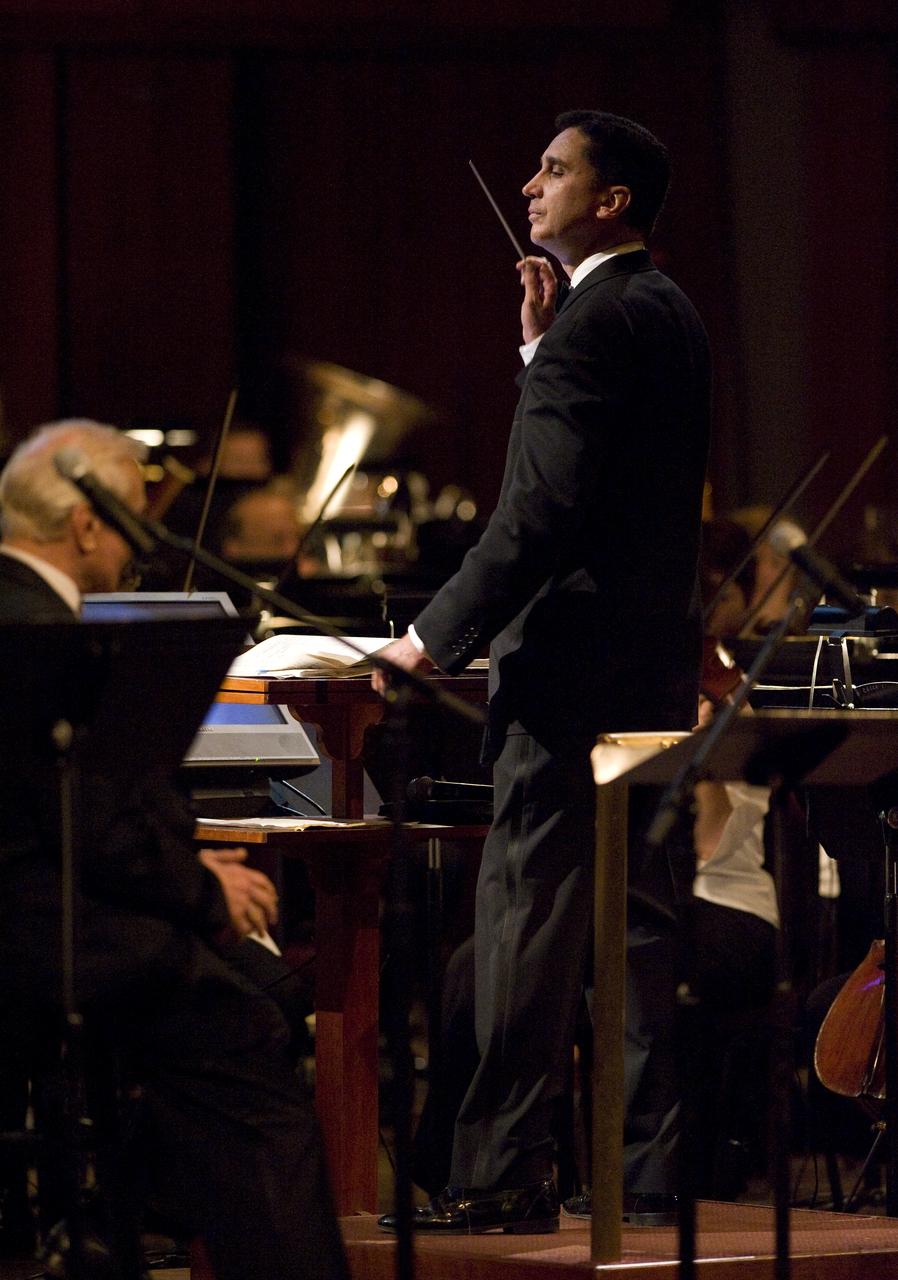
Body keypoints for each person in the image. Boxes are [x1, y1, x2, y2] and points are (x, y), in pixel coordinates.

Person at [373, 111, 711, 1233]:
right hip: (649, 665)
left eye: (555, 169)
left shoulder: (592, 325)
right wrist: (537, 342)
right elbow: (612, 476)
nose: (529, 185)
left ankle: (499, 1170)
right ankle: (648, 1165)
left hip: (567, 673)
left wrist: (430, 637)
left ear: (610, 200)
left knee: (527, 914)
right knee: (638, 919)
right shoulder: (660, 308)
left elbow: (539, 512)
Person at [0, 420, 348, 1279]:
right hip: (50, 930)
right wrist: (199, 889)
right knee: (248, 1034)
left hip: (56, 905)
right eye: (134, 526)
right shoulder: (41, 631)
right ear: (86, 525)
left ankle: (152, 1212)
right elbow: (85, 824)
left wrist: (191, 875)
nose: (138, 552)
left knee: (250, 989)